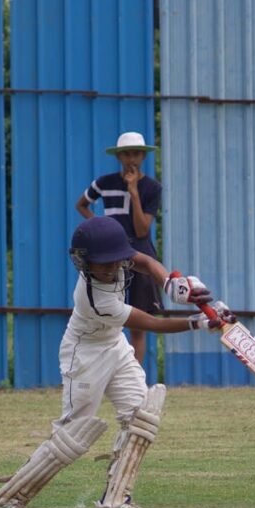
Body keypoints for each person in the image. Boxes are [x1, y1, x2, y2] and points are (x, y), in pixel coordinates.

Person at [0, 217, 233, 508]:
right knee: (73, 435)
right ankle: (8, 499)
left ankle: (115, 502)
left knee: (141, 417)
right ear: (84, 261)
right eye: (101, 264)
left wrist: (171, 282)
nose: (109, 269)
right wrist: (197, 322)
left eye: (113, 261)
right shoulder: (94, 298)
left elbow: (142, 260)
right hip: (85, 354)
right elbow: (153, 324)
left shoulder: (117, 257)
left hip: (114, 345)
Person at [75, 131, 162, 366]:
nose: (131, 159)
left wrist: (133, 193)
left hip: (139, 254)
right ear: (119, 157)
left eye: (136, 154)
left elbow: (142, 230)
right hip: (109, 256)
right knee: (108, 319)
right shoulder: (104, 183)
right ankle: (107, 371)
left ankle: (134, 378)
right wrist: (99, 228)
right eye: (126, 154)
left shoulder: (152, 188)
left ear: (143, 156)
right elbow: (82, 204)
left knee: (136, 326)